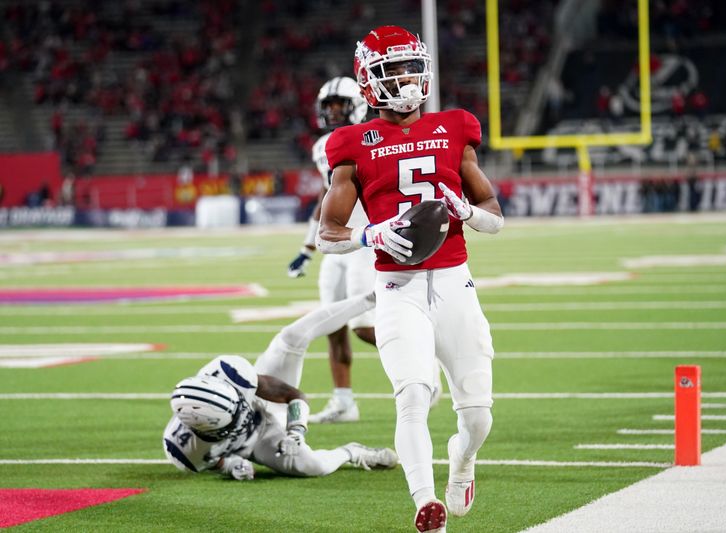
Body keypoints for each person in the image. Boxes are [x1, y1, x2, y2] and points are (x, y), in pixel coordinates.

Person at [316, 26, 504, 533]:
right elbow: (326, 233)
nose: (404, 77)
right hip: (397, 289)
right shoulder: (350, 143)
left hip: (453, 281)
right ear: (368, 80)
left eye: (409, 65)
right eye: (391, 68)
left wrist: (469, 211)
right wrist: (369, 237)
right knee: (413, 394)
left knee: (479, 417)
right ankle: (425, 504)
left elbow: (495, 213)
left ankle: (461, 460)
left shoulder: (456, 126)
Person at [163, 292, 398, 479]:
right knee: (313, 466)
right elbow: (211, 460)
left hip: (263, 403)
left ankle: (373, 296)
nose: (240, 413)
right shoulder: (182, 449)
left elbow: (293, 395)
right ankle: (353, 452)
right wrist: (231, 465)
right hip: (257, 443)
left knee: (291, 337)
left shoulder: (231, 373)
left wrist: (296, 431)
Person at [286, 76, 373, 424]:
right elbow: (327, 196)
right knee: (331, 324)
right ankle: (343, 401)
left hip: (364, 241)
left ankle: (422, 366)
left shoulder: (373, 137)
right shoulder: (322, 146)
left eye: (341, 106)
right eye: (329, 107)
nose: (334, 113)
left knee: (364, 328)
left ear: (359, 106)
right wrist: (307, 249)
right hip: (334, 244)